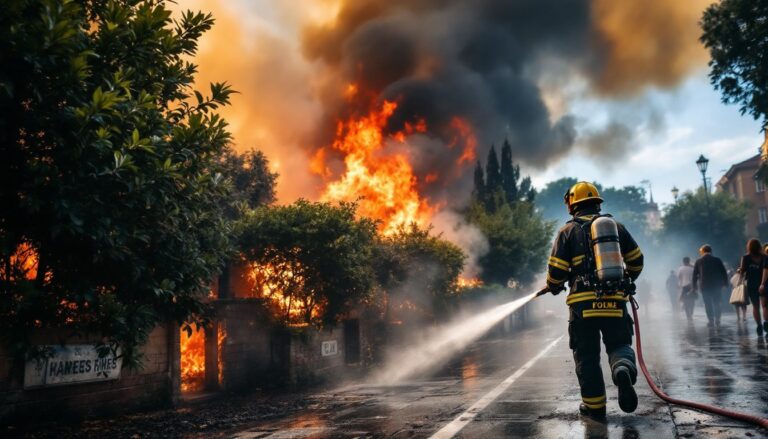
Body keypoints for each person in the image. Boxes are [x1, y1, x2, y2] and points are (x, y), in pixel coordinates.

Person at [546, 181, 643, 419]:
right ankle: (621, 368)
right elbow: (637, 260)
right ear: (597, 203)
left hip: (582, 306)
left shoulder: (567, 231)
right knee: (619, 345)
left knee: (587, 357)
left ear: (572, 205)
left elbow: (557, 271)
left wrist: (554, 285)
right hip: (614, 300)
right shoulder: (616, 227)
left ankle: (595, 407)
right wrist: (625, 278)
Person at [692, 245, 729, 328]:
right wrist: (725, 283)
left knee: (707, 303)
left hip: (704, 286)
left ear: (702, 251)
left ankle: (711, 320)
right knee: (717, 302)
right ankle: (718, 319)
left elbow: (695, 275)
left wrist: (694, 286)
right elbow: (723, 272)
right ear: (711, 251)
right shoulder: (717, 260)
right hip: (716, 285)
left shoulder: (699, 261)